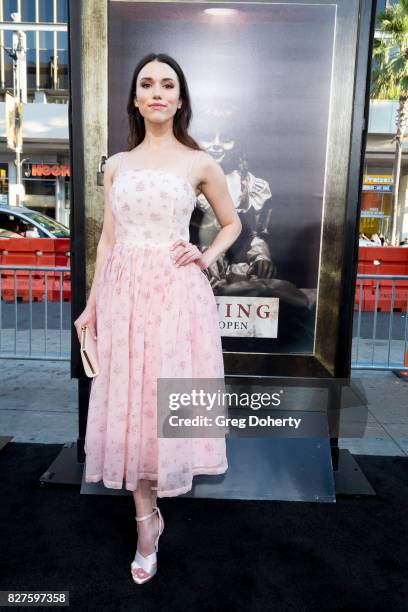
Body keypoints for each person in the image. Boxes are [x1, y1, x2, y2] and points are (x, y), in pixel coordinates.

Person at [73, 53, 242, 585]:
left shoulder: (198, 162)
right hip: (123, 295)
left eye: (167, 84)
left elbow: (232, 222)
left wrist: (206, 255)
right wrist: (92, 306)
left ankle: (153, 514)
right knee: (127, 402)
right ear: (135, 98)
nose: (157, 92)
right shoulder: (116, 165)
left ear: (180, 98)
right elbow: (107, 239)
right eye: (146, 83)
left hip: (174, 296)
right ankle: (146, 520)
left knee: (159, 402)